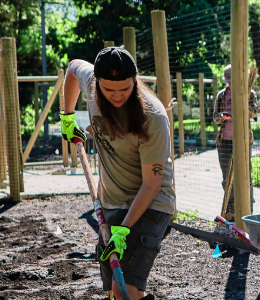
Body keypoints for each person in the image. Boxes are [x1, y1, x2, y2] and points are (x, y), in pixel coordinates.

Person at [62, 47, 176, 300]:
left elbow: (152, 183)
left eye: (125, 90)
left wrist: (123, 230)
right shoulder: (91, 82)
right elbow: (72, 68)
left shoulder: (152, 116)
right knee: (119, 287)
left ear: (135, 81)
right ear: (98, 82)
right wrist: (67, 116)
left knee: (124, 288)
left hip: (150, 204)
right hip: (112, 201)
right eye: (109, 90)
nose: (117, 96)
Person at [213, 64, 257, 222]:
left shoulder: (249, 93)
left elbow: (253, 113)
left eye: (232, 80)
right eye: (228, 81)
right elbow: (215, 116)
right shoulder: (221, 95)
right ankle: (230, 212)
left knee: (246, 177)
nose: (230, 83)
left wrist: (242, 106)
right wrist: (222, 117)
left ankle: (248, 210)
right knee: (227, 178)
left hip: (243, 141)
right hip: (224, 141)